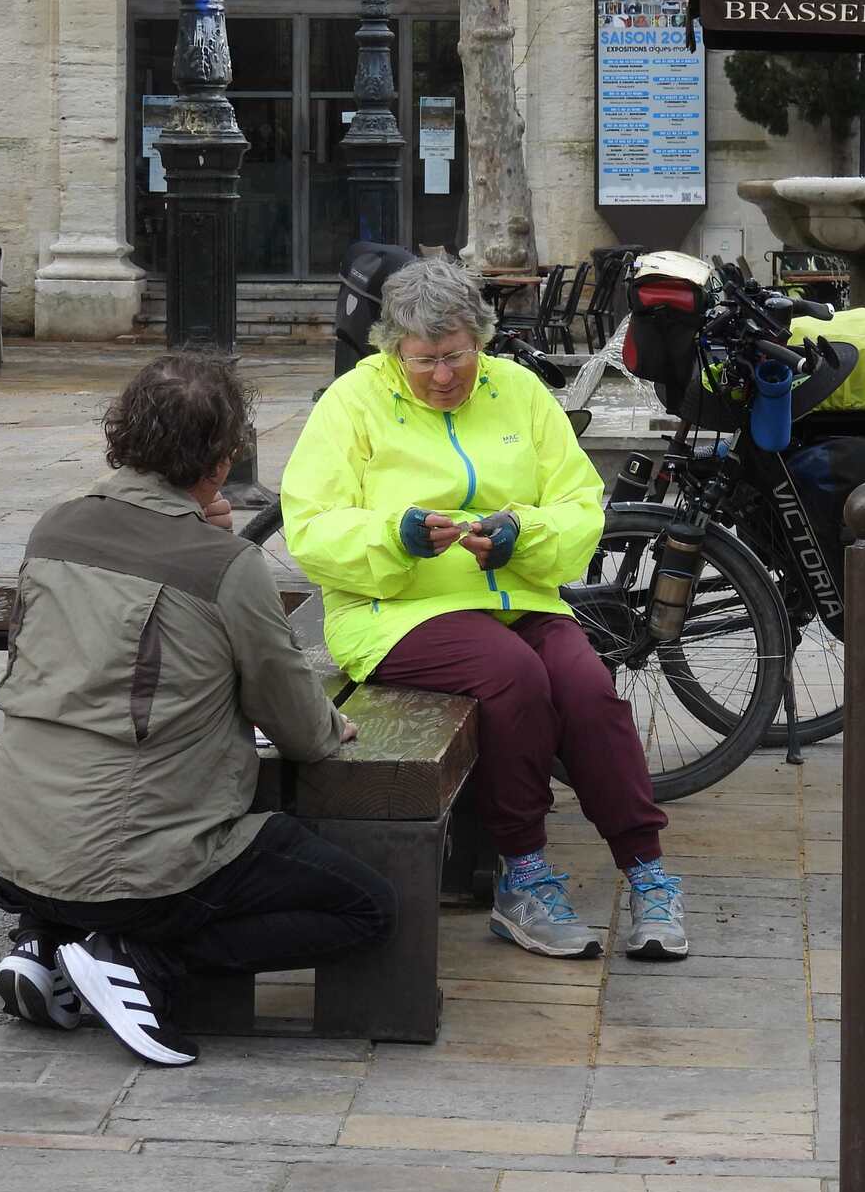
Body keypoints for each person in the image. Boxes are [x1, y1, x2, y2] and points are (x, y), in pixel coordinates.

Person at [0, 352, 394, 1067]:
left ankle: (45, 944)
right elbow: (298, 725)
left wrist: (203, 534)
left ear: (121, 434)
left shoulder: (54, 529)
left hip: (14, 853)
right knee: (365, 906)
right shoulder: (226, 567)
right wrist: (332, 725)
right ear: (223, 458)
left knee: (97, 811)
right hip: (135, 874)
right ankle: (137, 963)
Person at [281, 258, 688, 962]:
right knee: (513, 676)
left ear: (483, 339)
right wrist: (398, 536)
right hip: (393, 610)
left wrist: (520, 535)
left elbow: (578, 504)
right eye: (424, 360)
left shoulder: (520, 391)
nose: (443, 375)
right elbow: (311, 527)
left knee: (587, 688)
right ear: (393, 349)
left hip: (519, 595)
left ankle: (647, 869)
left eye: (458, 355)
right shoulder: (352, 402)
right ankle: (523, 876)